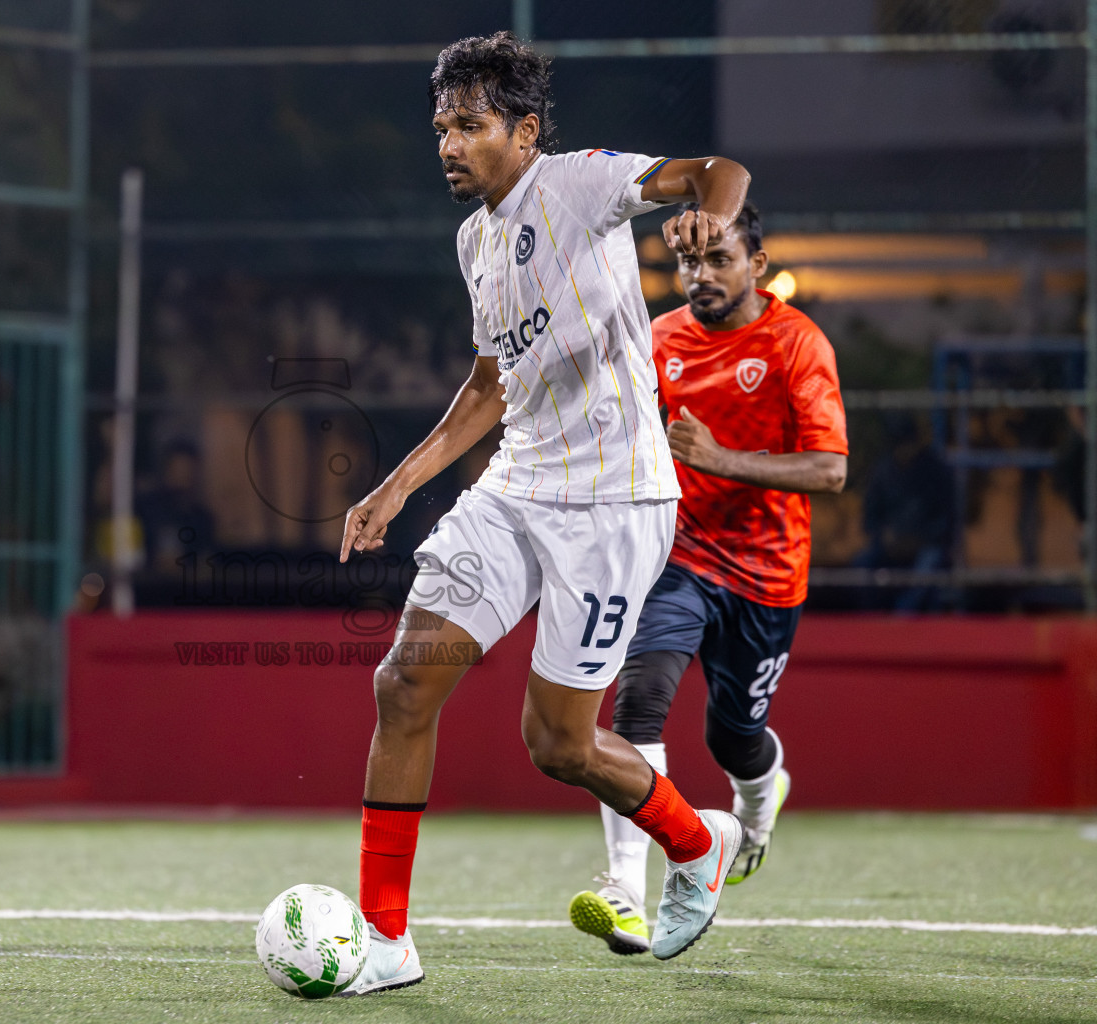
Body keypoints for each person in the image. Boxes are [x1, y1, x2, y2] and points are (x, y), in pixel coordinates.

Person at [335, 32, 753, 994]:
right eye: (440, 127)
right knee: (404, 684)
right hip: (518, 489)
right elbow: (490, 385)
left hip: (615, 500)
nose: (449, 144)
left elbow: (716, 172)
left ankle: (698, 844)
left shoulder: (578, 182)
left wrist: (709, 221)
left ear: (524, 132)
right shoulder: (474, 238)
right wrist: (398, 485)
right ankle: (387, 943)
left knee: (557, 746)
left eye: (471, 125)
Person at [571, 203, 848, 956]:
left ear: (756, 265)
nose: (701, 275)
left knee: (734, 738)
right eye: (691, 263)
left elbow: (829, 469)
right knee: (640, 700)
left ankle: (759, 802)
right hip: (677, 559)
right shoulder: (659, 340)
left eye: (719, 259)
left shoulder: (797, 343)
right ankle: (626, 889)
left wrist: (720, 458)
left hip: (766, 576)